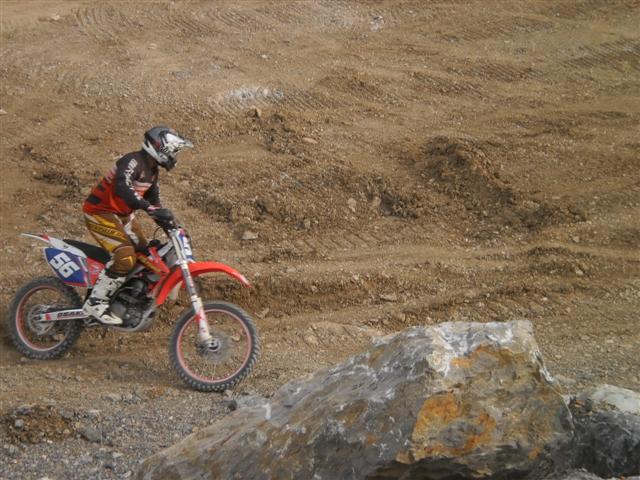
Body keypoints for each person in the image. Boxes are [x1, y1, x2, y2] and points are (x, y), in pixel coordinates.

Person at [82, 126, 193, 325]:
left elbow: (155, 202)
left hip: (122, 216)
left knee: (144, 253)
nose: (174, 156)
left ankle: (123, 297)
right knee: (125, 256)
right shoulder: (133, 160)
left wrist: (171, 227)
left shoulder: (152, 172)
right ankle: (95, 302)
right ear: (161, 147)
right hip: (99, 212)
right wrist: (147, 207)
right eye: (173, 151)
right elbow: (122, 186)